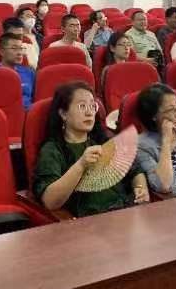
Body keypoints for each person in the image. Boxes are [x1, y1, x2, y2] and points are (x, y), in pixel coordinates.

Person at [32, 82, 149, 217]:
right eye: (82, 106)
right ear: (63, 114)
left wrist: (140, 189)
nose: (89, 113)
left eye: (93, 106)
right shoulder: (53, 150)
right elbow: (50, 201)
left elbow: (135, 170)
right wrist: (81, 165)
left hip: (125, 212)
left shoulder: (103, 140)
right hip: (90, 221)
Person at [0, 32, 35, 111]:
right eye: (14, 48)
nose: (19, 53)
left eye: (21, 48)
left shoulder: (29, 72)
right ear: (1, 51)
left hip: (28, 114)